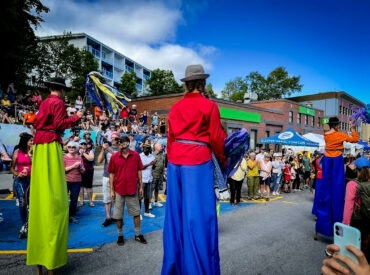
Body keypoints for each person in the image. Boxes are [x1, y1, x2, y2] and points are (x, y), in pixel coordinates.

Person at [162, 64, 226, 274]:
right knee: (198, 219)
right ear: (202, 82)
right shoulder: (209, 106)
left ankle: (174, 268)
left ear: (187, 83)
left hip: (175, 163)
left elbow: (170, 139)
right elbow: (217, 139)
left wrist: (172, 162)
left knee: (175, 218)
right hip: (197, 163)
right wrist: (222, 164)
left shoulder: (176, 107)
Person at [27, 77, 84, 274]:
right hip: (50, 145)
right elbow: (60, 125)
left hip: (40, 146)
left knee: (41, 198)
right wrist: (76, 117)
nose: (64, 94)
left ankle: (39, 266)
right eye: (64, 91)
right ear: (60, 90)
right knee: (56, 203)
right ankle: (51, 262)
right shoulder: (57, 102)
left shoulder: (43, 102)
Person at [315, 117, 359, 239]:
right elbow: (355, 139)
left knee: (325, 189)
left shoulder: (325, 135)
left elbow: (326, 129)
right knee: (338, 189)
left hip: (328, 159)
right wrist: (353, 129)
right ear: (337, 125)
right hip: (337, 159)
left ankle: (323, 226)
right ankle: (338, 226)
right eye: (338, 125)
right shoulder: (340, 135)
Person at [108, 136, 147, 246]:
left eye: (122, 142)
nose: (120, 144)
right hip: (119, 190)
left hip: (132, 189)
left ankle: (138, 235)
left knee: (136, 213)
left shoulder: (135, 155)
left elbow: (139, 171)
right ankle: (120, 235)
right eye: (118, 142)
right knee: (118, 215)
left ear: (128, 143)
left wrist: (140, 187)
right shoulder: (114, 157)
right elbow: (111, 174)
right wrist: (111, 190)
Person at [342, 157, 370, 260]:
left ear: (356, 169)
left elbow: (348, 207)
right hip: (368, 218)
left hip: (357, 218)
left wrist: (345, 225)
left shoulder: (352, 184)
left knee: (357, 243)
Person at [10, 133, 33, 239]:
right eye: (30, 141)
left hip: (33, 180)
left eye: (32, 141)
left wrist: (32, 154)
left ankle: (32, 223)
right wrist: (17, 174)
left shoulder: (35, 152)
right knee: (23, 202)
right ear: (25, 142)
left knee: (33, 202)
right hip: (20, 181)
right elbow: (12, 168)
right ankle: (24, 225)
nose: (32, 142)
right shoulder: (17, 152)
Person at [97, 132, 121, 226]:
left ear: (119, 140)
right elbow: (99, 161)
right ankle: (108, 217)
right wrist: (103, 149)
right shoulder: (106, 149)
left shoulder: (122, 150)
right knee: (107, 197)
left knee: (117, 198)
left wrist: (113, 153)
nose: (112, 140)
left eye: (115, 138)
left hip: (118, 177)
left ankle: (116, 216)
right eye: (112, 138)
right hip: (107, 176)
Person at [64, 141, 85, 224]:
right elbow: (63, 169)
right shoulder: (64, 157)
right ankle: (65, 215)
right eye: (69, 147)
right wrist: (73, 166)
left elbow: (83, 171)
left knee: (74, 199)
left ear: (76, 148)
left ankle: (71, 216)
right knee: (64, 199)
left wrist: (80, 168)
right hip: (66, 181)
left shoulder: (79, 157)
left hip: (77, 181)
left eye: (73, 147)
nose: (71, 148)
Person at [140, 142, 157, 218]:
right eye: (144, 148)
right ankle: (139, 213)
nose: (145, 149)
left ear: (150, 149)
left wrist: (154, 164)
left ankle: (147, 212)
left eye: (147, 148)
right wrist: (150, 164)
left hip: (149, 179)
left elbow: (153, 168)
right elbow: (140, 167)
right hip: (142, 179)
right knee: (140, 197)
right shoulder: (139, 156)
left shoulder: (152, 157)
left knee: (148, 197)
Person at [78, 139, 95, 207]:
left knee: (89, 186)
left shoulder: (89, 151)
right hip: (79, 171)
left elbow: (91, 158)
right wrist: (80, 154)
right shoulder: (77, 151)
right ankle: (81, 201)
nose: (83, 145)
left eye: (84, 144)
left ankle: (90, 201)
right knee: (81, 187)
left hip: (88, 170)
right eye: (81, 144)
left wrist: (84, 154)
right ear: (79, 145)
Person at [152, 143, 165, 207]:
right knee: (151, 190)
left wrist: (163, 174)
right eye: (160, 146)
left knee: (157, 189)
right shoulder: (152, 155)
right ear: (156, 147)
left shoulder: (162, 155)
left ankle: (156, 201)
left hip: (160, 175)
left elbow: (163, 165)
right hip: (154, 175)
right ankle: (148, 203)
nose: (161, 147)